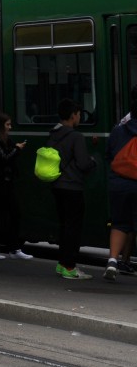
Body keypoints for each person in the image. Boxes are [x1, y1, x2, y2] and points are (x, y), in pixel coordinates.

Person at [48, 99, 97, 280]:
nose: (79, 117)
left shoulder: (54, 133)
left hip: (57, 185)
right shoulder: (76, 137)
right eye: (78, 114)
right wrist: (93, 161)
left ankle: (62, 264)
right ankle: (70, 267)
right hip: (73, 187)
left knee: (64, 226)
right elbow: (83, 163)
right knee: (73, 228)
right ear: (72, 116)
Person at [0, 111, 31, 259]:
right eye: (7, 124)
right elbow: (4, 159)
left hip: (4, 181)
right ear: (0, 126)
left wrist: (15, 148)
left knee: (13, 213)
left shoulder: (4, 140)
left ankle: (13, 248)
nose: (10, 127)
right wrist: (17, 149)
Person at [104, 86, 137, 281]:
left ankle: (112, 261)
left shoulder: (118, 130)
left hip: (119, 184)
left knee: (119, 223)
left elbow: (109, 155)